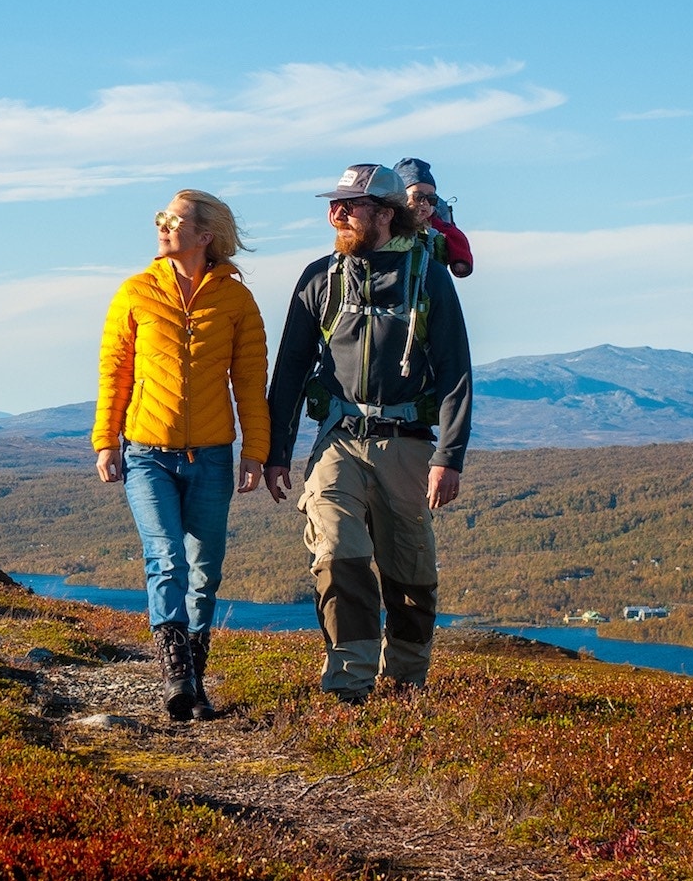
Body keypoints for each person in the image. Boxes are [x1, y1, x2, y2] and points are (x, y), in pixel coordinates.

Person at [263, 163, 472, 704]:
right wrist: (275, 453)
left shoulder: (426, 276)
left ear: (384, 213)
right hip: (337, 440)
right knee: (338, 555)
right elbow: (289, 371)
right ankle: (349, 688)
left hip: (408, 443)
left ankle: (402, 686)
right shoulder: (319, 278)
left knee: (411, 574)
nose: (337, 213)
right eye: (333, 205)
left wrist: (449, 457)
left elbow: (455, 370)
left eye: (349, 205)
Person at [93, 190, 271, 722]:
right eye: (160, 219)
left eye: (175, 220)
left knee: (204, 570)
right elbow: (114, 372)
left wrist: (254, 453)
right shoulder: (135, 293)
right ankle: (175, 675)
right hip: (146, 454)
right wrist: (105, 440)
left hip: (213, 457)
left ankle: (194, 681)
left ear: (205, 235)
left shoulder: (236, 302)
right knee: (166, 556)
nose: (163, 227)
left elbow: (250, 384)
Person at [395, 157, 473, 278]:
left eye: (431, 199)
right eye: (418, 196)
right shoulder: (385, 222)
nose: (425, 203)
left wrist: (460, 260)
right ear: (399, 197)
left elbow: (456, 237)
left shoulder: (436, 226)